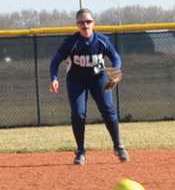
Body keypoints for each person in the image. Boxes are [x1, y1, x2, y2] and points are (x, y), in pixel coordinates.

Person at [48, 8, 128, 165]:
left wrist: (116, 69)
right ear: (77, 25)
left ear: (94, 23)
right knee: (78, 114)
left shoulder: (101, 40)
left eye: (88, 21)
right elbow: (55, 61)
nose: (85, 25)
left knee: (108, 110)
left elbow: (115, 57)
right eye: (82, 22)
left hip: (98, 79)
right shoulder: (71, 42)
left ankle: (118, 146)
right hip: (76, 81)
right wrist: (54, 78)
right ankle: (80, 151)